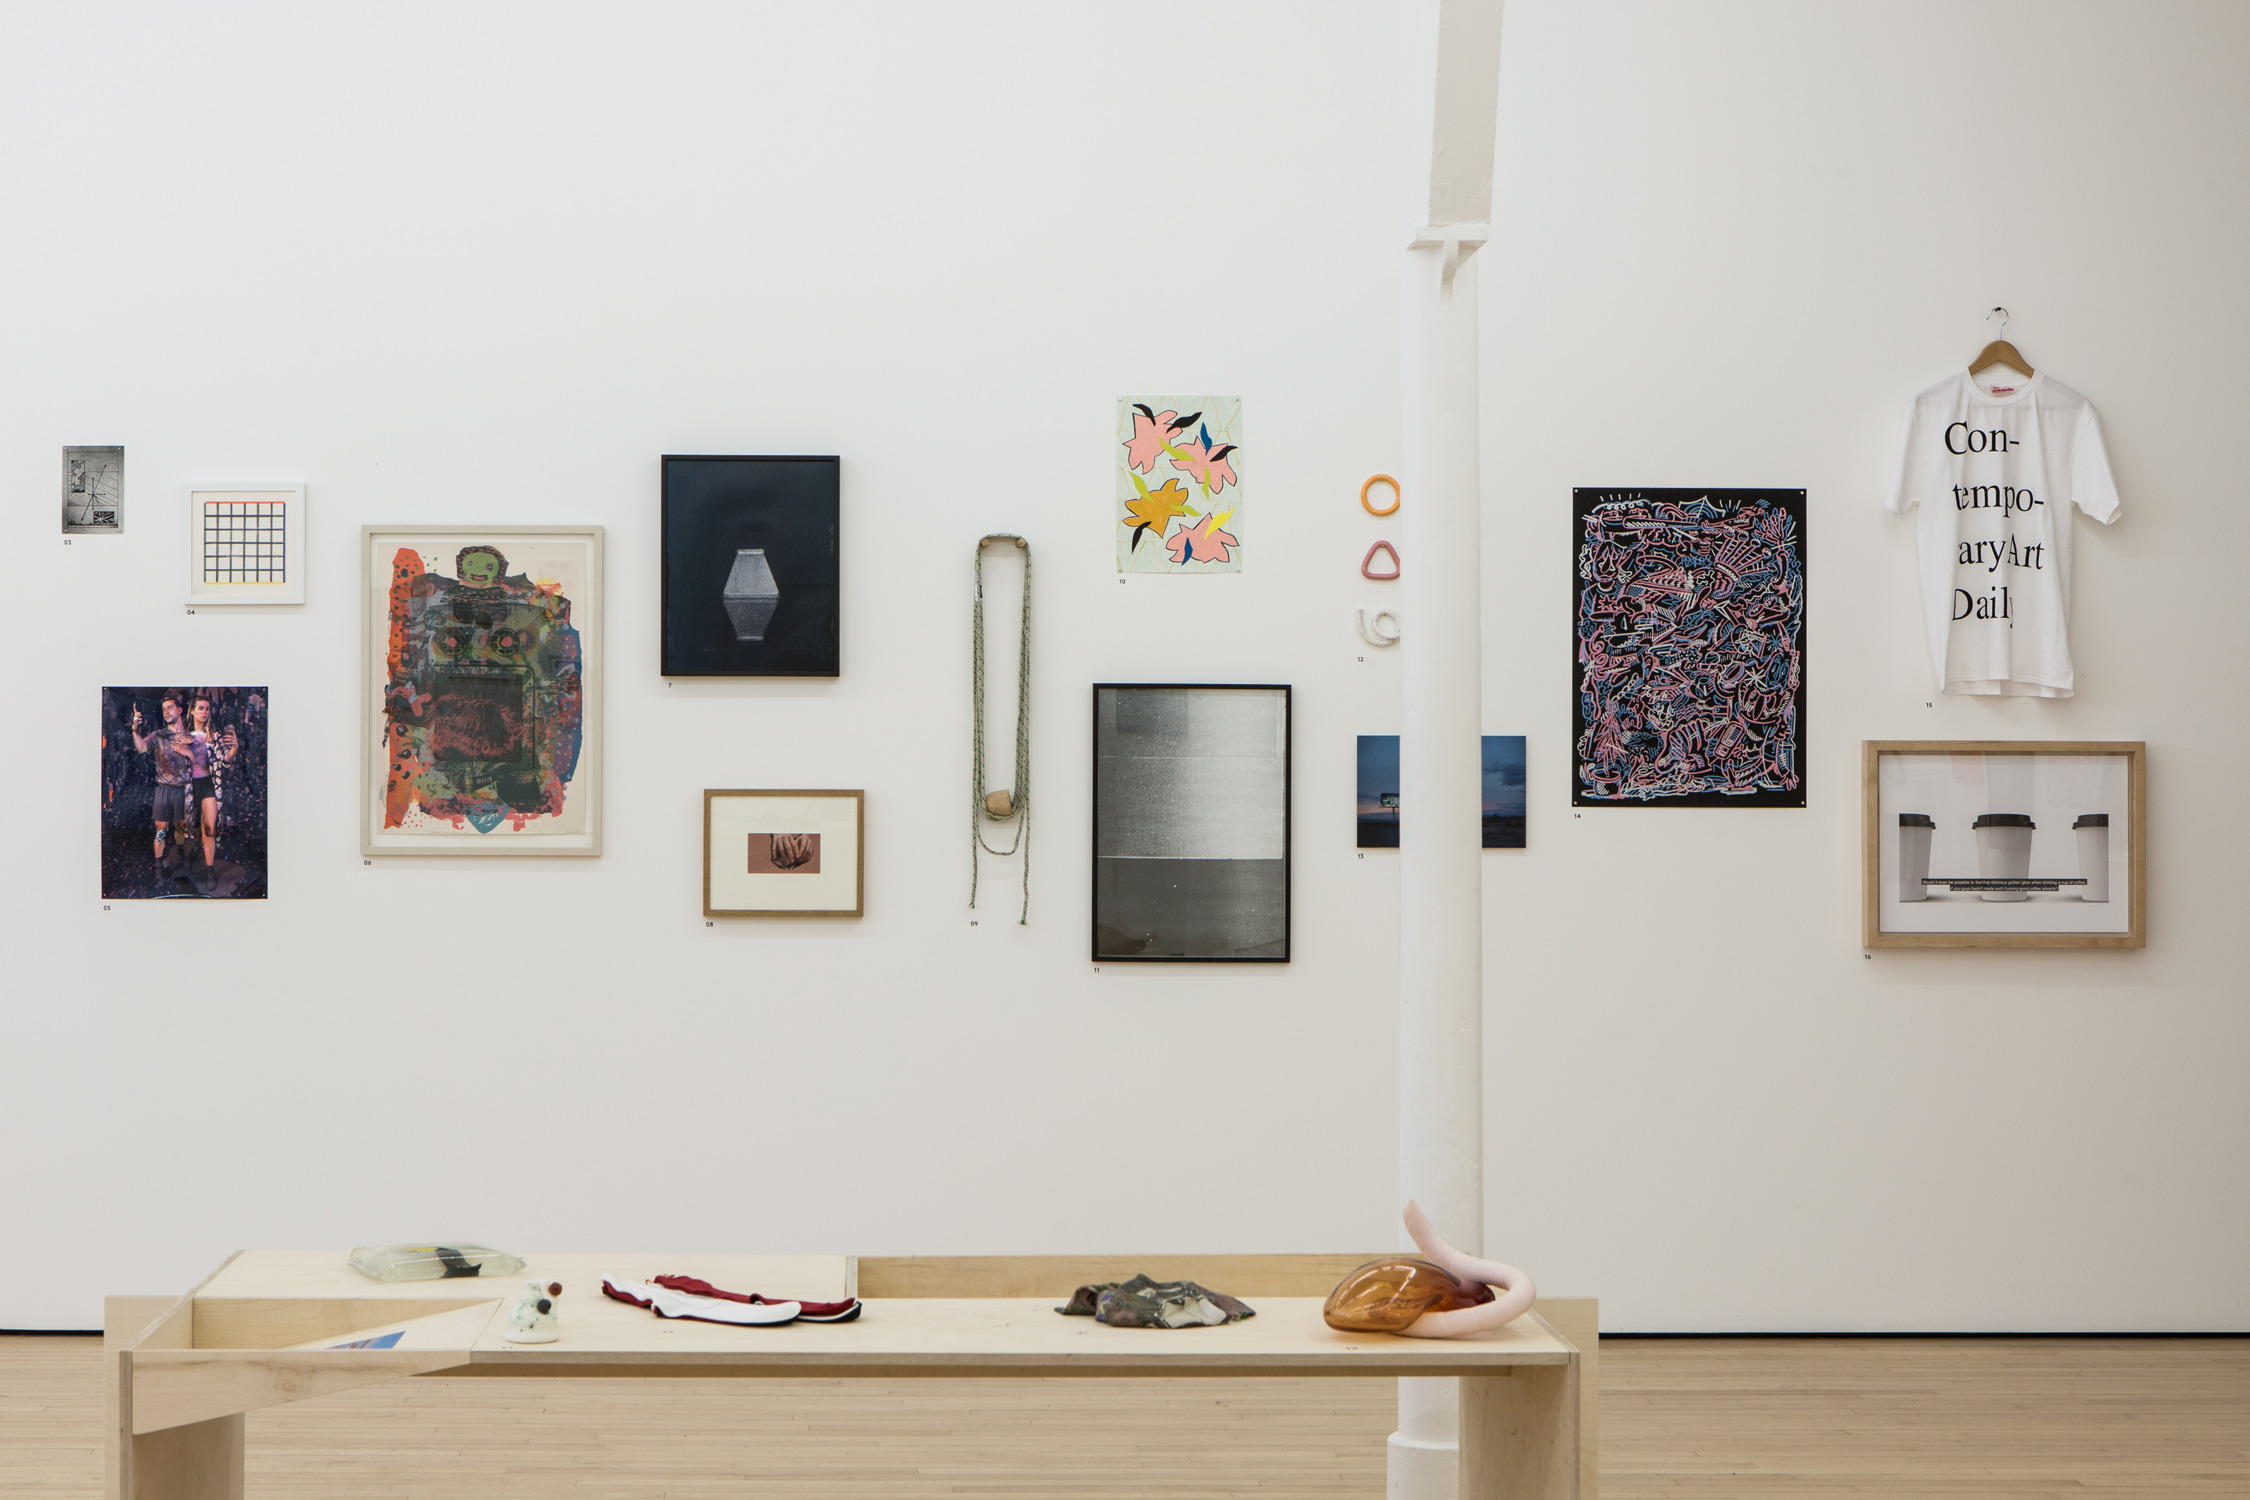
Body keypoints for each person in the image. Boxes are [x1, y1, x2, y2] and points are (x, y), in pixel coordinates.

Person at [129, 694, 196, 877]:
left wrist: (188, 752)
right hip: (163, 790)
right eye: (164, 709)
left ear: (180, 710)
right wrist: (134, 729)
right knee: (161, 830)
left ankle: (181, 852)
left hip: (182, 789)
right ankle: (159, 868)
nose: (166, 711)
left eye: (170, 707)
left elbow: (201, 763)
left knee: (180, 828)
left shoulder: (190, 737)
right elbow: (141, 748)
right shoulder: (158, 736)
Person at [185, 693, 239, 885]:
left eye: (207, 709)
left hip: (209, 785)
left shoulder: (214, 736)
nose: (205, 712)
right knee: (190, 827)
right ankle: (192, 851)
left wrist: (233, 750)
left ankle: (210, 871)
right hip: (190, 788)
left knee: (210, 828)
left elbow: (225, 761)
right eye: (200, 708)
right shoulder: (183, 736)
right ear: (192, 711)